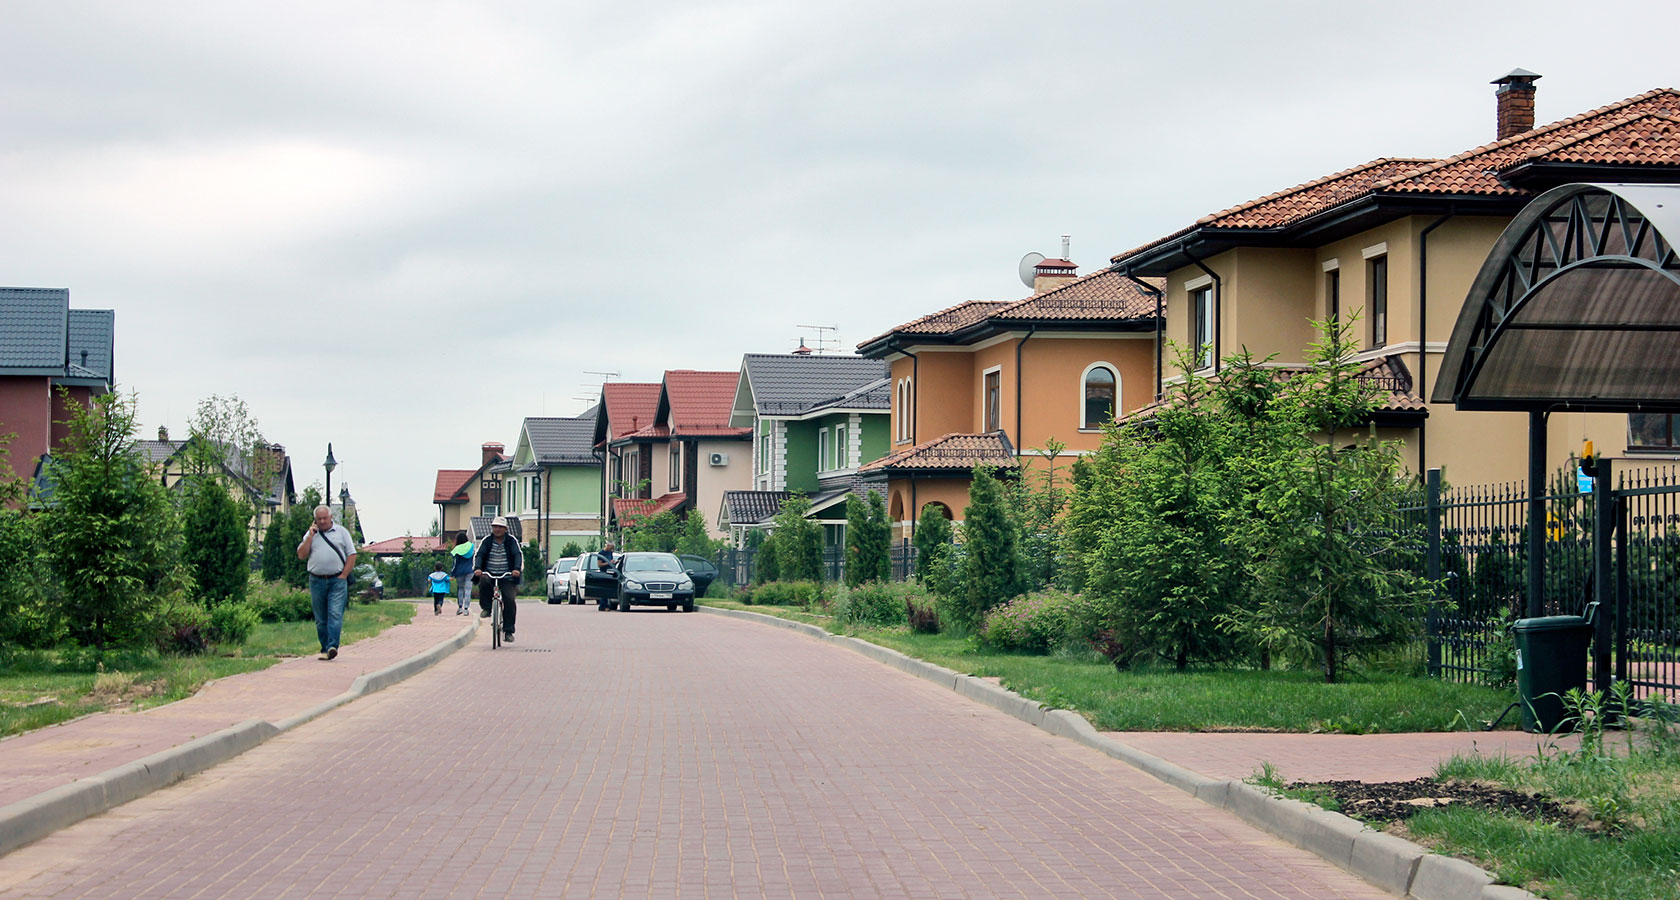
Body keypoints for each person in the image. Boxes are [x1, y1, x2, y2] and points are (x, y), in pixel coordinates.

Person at [296, 505, 357, 660]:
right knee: (321, 618)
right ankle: (325, 648)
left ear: (331, 518)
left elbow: (352, 555)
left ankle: (332, 646)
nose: (322, 521)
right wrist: (310, 537)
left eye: (325, 518)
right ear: (315, 520)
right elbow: (301, 555)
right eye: (319, 519)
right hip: (316, 580)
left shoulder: (341, 532)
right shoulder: (311, 535)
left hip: (337, 580)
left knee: (335, 614)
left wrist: (344, 575)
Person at [473, 517, 523, 642]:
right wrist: (478, 568)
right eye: (495, 526)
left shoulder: (511, 541)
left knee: (510, 600)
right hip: (489, 573)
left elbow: (517, 554)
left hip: (507, 576)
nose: (497, 529)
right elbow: (479, 555)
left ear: (505, 529)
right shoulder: (487, 541)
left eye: (500, 527)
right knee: (483, 581)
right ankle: (487, 608)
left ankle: (508, 631)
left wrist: (517, 569)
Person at [449, 531, 474, 615]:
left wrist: (452, 573)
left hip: (459, 572)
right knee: (468, 589)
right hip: (470, 571)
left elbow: (454, 563)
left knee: (460, 589)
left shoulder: (457, 549)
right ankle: (466, 609)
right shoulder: (471, 546)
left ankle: (460, 607)